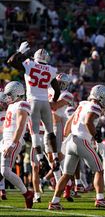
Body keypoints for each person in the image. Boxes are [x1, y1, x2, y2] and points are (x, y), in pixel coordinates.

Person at [48, 85, 105, 210]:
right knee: (99, 170)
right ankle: (100, 199)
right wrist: (98, 140)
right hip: (82, 141)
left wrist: (65, 139)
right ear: (99, 96)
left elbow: (68, 123)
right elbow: (89, 122)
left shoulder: (83, 104)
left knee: (66, 174)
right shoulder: (95, 107)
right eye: (104, 97)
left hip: (72, 140)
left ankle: (54, 202)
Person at [7, 41, 61, 175]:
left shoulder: (30, 64)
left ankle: (41, 159)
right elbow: (57, 90)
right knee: (50, 132)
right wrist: (53, 101)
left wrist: (20, 52)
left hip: (32, 101)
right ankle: (55, 157)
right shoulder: (51, 70)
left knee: (35, 132)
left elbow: (11, 61)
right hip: (45, 102)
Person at [0, 81, 34, 208]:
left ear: (17, 93)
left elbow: (20, 126)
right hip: (5, 140)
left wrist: (13, 144)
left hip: (12, 142)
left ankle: (27, 194)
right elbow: (7, 127)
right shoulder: (12, 106)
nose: (7, 97)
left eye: (9, 94)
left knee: (5, 171)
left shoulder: (22, 104)